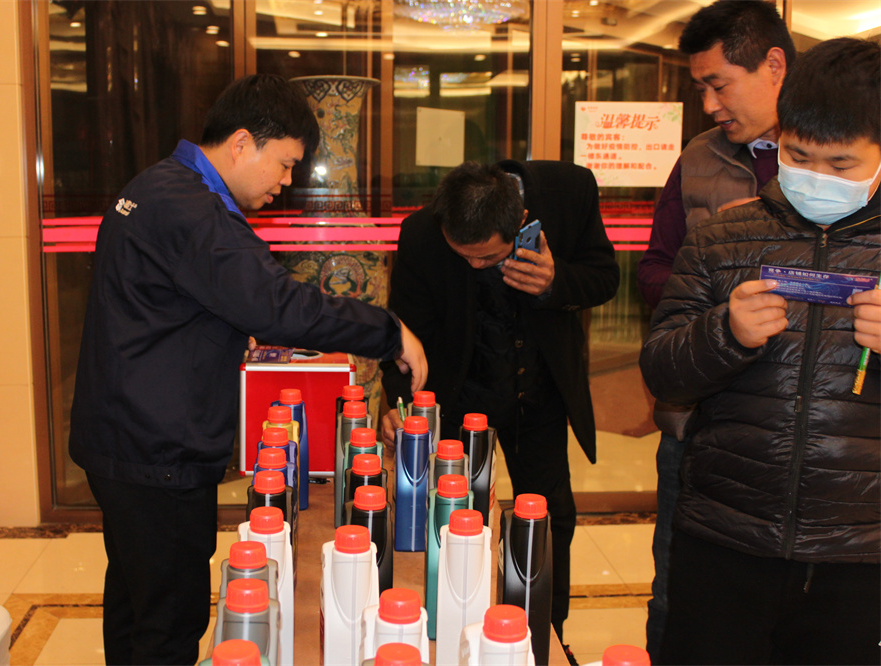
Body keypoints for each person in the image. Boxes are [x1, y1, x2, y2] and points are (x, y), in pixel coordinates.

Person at [69, 74, 427, 666]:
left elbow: (173, 304)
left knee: (135, 603)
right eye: (284, 164)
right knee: (169, 621)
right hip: (156, 450)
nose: (285, 182)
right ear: (241, 143)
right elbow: (279, 305)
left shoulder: (156, 185)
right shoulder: (192, 210)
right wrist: (389, 332)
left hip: (123, 434)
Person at [639, 37, 880, 665]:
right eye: (799, 156)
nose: (817, 179)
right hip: (723, 534)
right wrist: (724, 333)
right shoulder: (723, 236)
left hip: (859, 554)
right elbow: (662, 369)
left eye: (842, 165)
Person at [380, 160, 619, 658]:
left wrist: (554, 281)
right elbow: (406, 329)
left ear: (521, 220)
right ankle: (455, 634)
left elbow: (603, 278)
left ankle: (544, 639)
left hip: (539, 395)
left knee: (547, 522)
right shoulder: (421, 232)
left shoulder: (570, 191)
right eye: (462, 255)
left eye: (487, 257)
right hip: (460, 397)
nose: (474, 266)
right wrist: (400, 402)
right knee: (454, 525)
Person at [634, 1, 795, 656]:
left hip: (813, 432)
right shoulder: (699, 160)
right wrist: (713, 273)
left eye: (718, 84)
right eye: (699, 87)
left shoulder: (848, 160)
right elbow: (654, 270)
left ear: (774, 65)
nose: (708, 105)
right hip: (702, 424)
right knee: (680, 598)